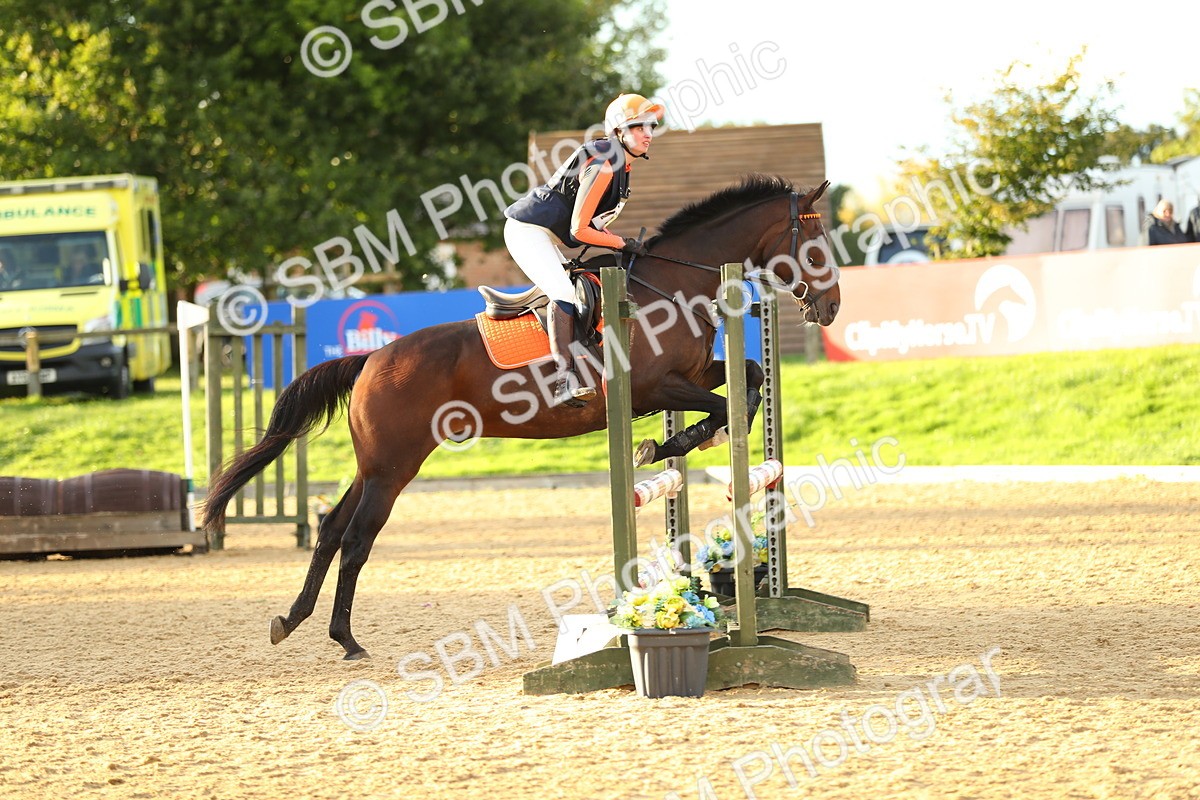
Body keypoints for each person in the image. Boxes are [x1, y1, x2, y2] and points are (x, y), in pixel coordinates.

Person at [503, 92, 664, 408]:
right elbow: (580, 230)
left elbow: (593, 225)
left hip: (546, 234)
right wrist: (622, 243)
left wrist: (622, 242)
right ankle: (563, 379)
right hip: (528, 231)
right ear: (619, 131)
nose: (648, 133)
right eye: (639, 126)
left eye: (651, 126)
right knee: (563, 293)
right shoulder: (606, 163)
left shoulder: (621, 166)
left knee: (582, 288)